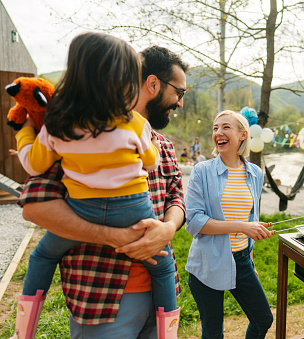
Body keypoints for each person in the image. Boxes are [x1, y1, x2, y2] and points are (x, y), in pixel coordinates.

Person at [14, 43, 189, 339]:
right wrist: (113, 237)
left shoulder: (164, 144)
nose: (180, 103)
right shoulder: (78, 136)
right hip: (102, 300)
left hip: (160, 295)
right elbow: (34, 207)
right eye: (179, 92)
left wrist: (168, 228)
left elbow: (176, 196)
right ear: (153, 84)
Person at [185, 110, 274, 338]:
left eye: (226, 127)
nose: (218, 133)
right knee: (213, 333)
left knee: (263, 319)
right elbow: (194, 222)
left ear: (243, 135)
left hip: (242, 261)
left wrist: (251, 244)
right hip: (208, 262)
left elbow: (250, 217)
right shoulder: (201, 171)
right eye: (215, 128)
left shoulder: (255, 173)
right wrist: (242, 227)